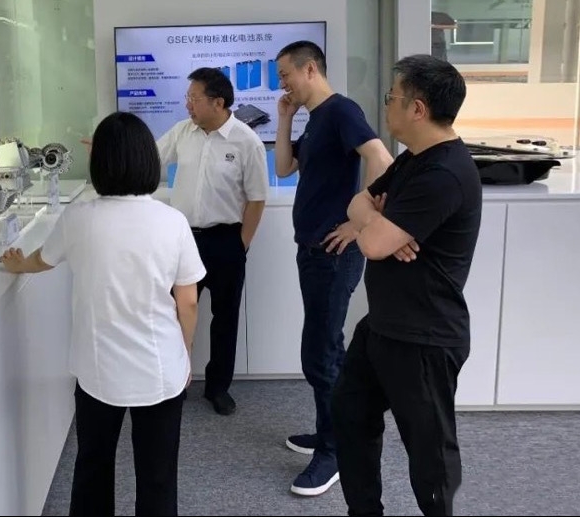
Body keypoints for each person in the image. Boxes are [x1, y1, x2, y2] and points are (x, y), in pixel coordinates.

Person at [0, 111, 204, 517]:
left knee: (92, 467)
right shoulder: (173, 222)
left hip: (98, 372)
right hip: (160, 368)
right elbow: (189, 301)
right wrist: (184, 353)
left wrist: (18, 264)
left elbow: (43, 259)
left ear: (101, 164)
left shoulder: (79, 218)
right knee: (158, 477)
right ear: (148, 160)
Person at [332, 54, 482, 516]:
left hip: (424, 338)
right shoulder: (413, 160)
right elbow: (357, 204)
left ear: (417, 108)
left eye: (391, 97)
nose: (385, 106)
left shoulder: (443, 173)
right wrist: (376, 223)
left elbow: (372, 243)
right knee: (350, 416)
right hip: (383, 326)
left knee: (430, 459)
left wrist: (377, 229)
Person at [273, 40, 393, 497]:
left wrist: (358, 224)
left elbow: (381, 159)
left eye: (285, 75)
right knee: (325, 349)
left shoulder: (342, 111)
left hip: (334, 254)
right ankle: (333, 430)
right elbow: (284, 167)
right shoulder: (315, 118)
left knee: (321, 354)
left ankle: (335, 450)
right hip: (312, 250)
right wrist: (285, 118)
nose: (282, 84)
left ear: (310, 69)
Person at [156, 67, 269, 416]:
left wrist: (241, 246)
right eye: (188, 97)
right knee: (174, 312)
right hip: (183, 240)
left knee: (225, 317)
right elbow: (150, 157)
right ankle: (175, 381)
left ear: (218, 102)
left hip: (226, 240)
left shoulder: (246, 141)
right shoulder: (182, 132)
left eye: (194, 98)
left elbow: (256, 199)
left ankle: (218, 388)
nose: (188, 104)